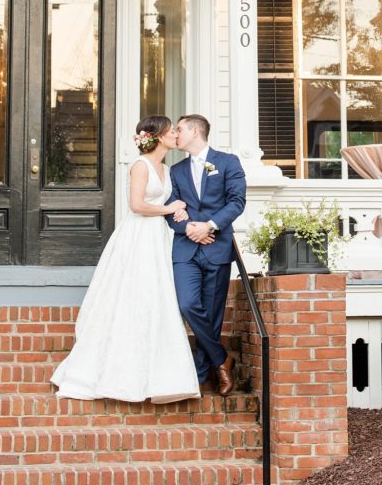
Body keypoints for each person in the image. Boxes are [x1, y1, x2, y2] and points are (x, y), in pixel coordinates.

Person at [51, 115, 200, 404]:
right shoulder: (140, 166)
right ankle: (115, 375)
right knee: (133, 295)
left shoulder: (167, 170)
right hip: (138, 237)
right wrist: (170, 208)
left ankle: (159, 375)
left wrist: (178, 212)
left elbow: (169, 205)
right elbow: (137, 205)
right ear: (157, 136)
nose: (174, 136)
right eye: (171, 132)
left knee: (155, 298)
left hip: (158, 238)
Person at [165, 114, 246, 396]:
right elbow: (170, 210)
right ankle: (222, 359)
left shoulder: (228, 162)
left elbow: (237, 202)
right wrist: (188, 227)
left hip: (217, 246)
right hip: (185, 250)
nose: (176, 134)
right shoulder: (174, 171)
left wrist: (209, 226)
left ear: (195, 131)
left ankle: (201, 374)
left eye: (179, 129)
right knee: (188, 304)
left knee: (212, 314)